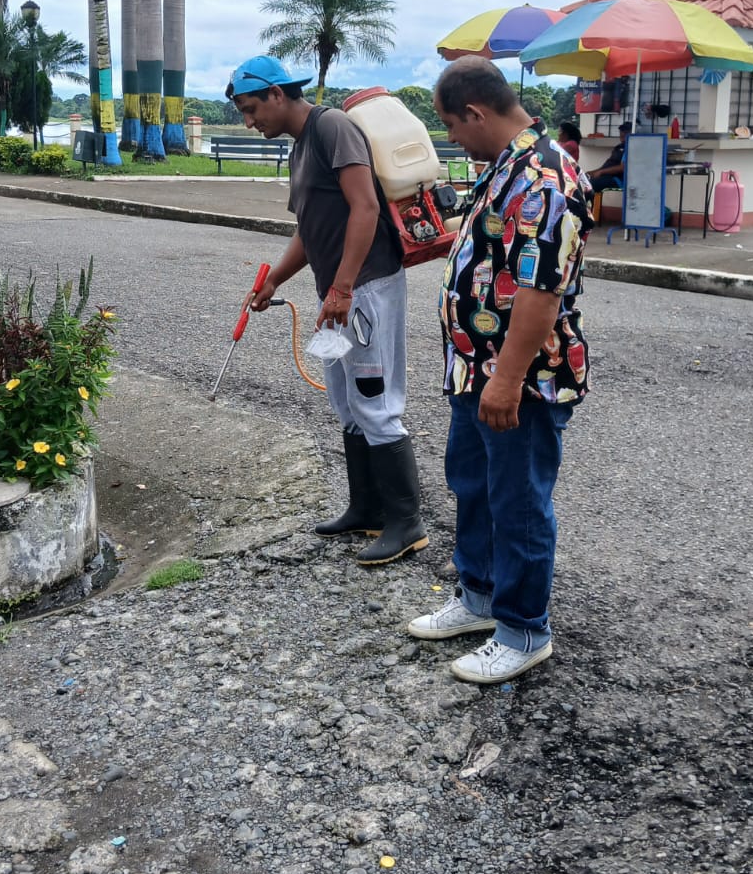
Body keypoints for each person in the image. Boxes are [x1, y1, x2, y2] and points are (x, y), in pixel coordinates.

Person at [408, 57, 591, 686]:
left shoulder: (546, 177)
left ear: (476, 112)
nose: (452, 139)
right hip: (474, 368)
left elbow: (541, 291)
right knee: (475, 486)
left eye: (452, 127)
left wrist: (508, 378)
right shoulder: (505, 166)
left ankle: (523, 629)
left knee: (518, 502)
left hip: (522, 379)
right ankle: (480, 596)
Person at [227, 54, 428, 565]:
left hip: (365, 289)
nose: (249, 122)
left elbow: (366, 207)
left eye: (251, 109)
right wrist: (275, 279)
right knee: (347, 402)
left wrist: (342, 288)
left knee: (375, 400)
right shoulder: (301, 146)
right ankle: (366, 508)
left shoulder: (331, 127)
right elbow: (309, 229)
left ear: (277, 93)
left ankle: (406, 523)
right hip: (338, 294)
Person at [585, 120, 631, 190]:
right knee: (583, 179)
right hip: (606, 175)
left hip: (617, 180)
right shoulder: (618, 147)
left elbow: (623, 167)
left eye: (626, 132)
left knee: (589, 185)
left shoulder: (630, 147)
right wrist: (593, 172)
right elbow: (608, 165)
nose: (623, 133)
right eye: (621, 131)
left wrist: (601, 172)